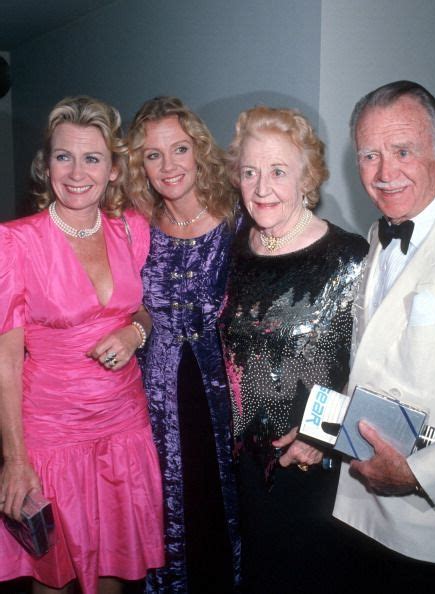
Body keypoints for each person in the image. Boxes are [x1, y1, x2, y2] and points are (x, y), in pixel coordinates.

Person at [0, 96, 164, 594]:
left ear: (113, 169)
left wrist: (135, 332)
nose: (76, 172)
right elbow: (5, 362)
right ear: (46, 163)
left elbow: (145, 311)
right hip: (51, 435)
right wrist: (15, 459)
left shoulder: (131, 229)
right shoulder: (14, 242)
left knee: (116, 571)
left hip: (123, 427)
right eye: (63, 156)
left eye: (92, 158)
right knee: (52, 575)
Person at [219, 106, 368, 594]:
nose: (262, 187)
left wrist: (320, 433)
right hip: (242, 466)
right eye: (250, 172)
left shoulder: (348, 256)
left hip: (311, 468)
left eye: (279, 171)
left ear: (308, 178)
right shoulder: (237, 250)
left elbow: (369, 362)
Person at [333, 80, 435, 587]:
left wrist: (422, 475)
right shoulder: (375, 236)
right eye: (369, 155)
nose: (384, 174)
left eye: (403, 151)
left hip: (431, 529)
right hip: (356, 509)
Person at [127, 96, 241, 594]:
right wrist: (135, 327)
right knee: (170, 508)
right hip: (156, 396)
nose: (168, 165)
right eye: (153, 155)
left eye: (179, 149)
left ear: (199, 151)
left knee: (221, 507)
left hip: (225, 395)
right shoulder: (135, 229)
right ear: (140, 166)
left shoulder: (241, 220)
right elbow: (124, 303)